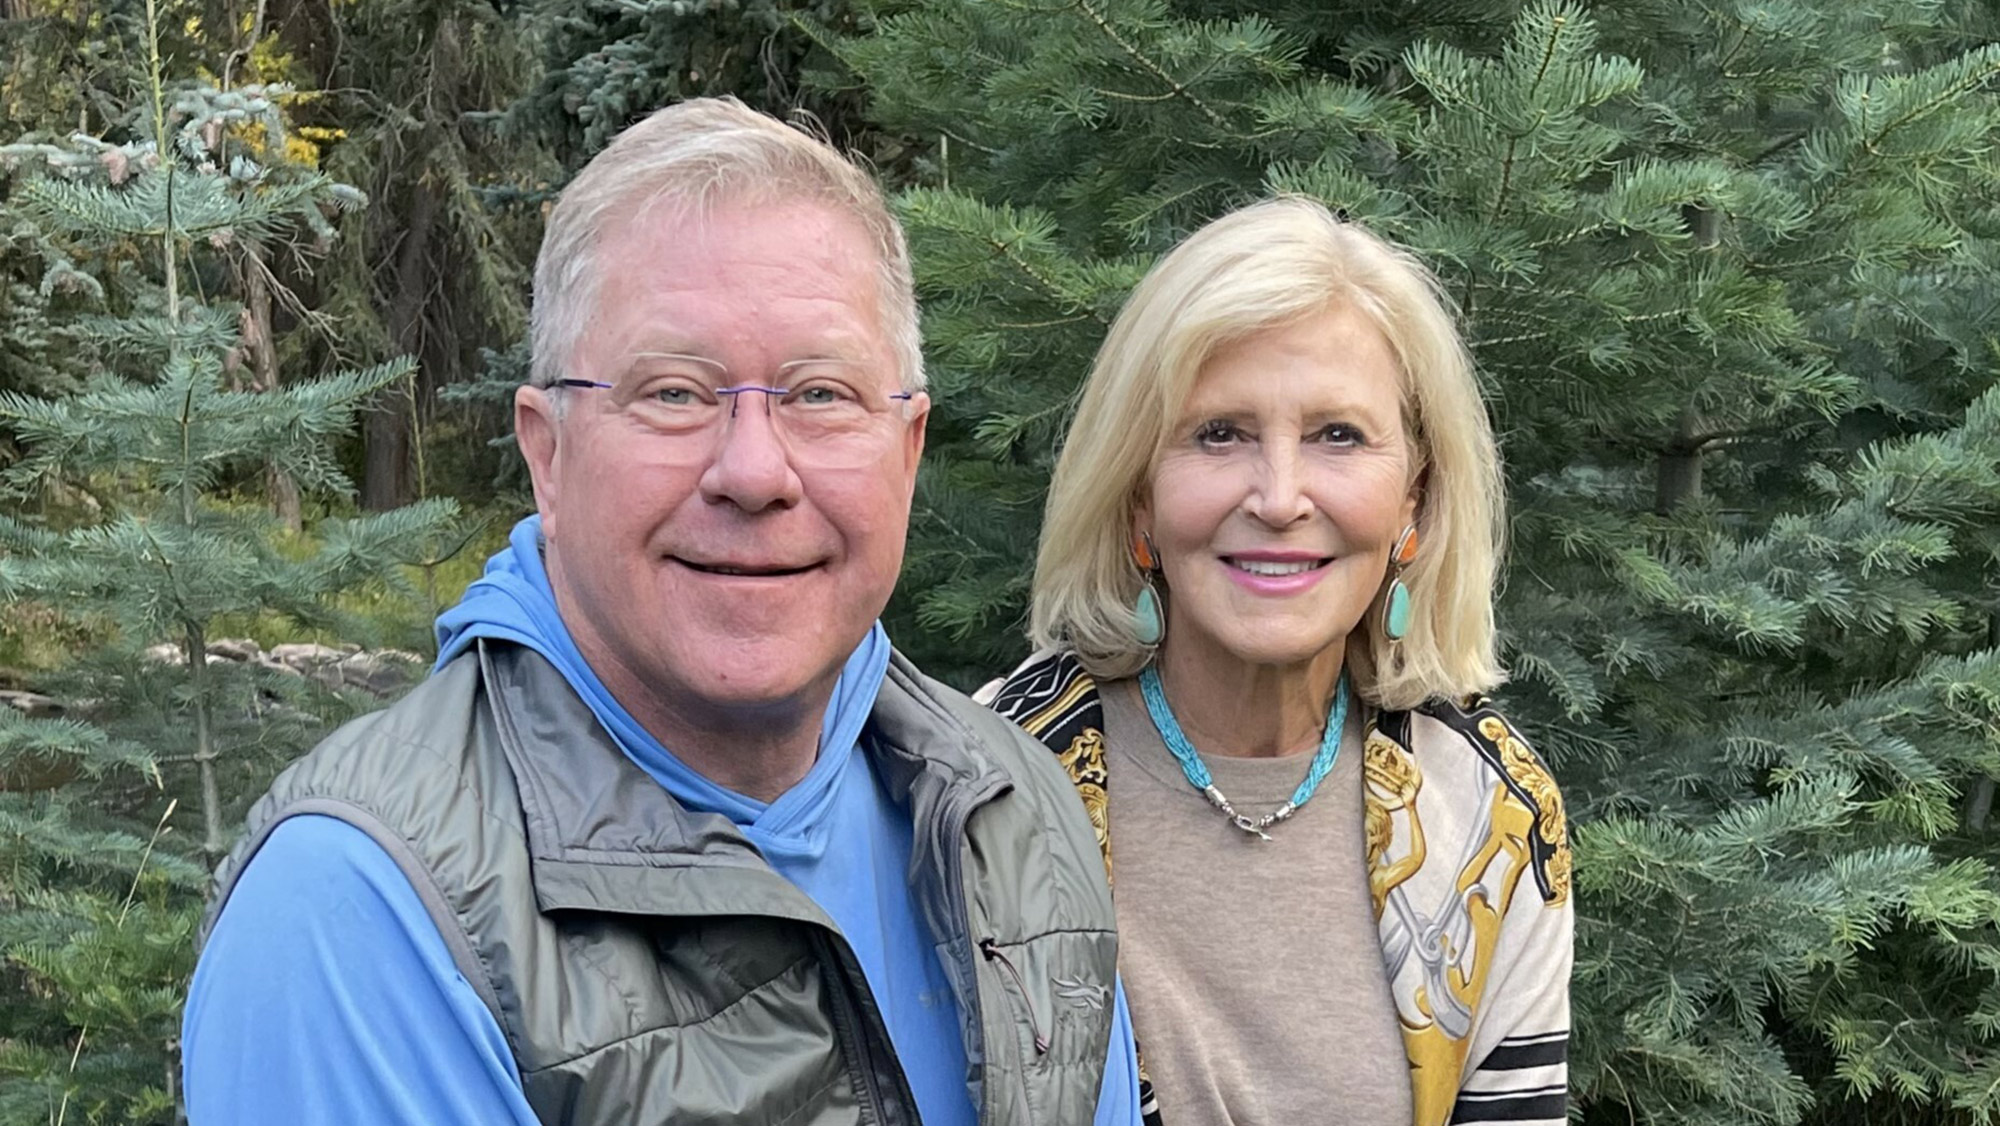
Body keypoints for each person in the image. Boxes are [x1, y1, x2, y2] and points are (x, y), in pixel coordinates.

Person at [182, 97, 1141, 1125]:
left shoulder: (1013, 810)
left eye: (820, 394)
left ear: (906, 451)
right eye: (675, 393)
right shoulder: (364, 915)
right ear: (545, 453)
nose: (754, 471)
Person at [984, 198, 1573, 1126]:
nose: (1280, 496)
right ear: (1138, 497)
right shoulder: (987, 777)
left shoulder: (1489, 815)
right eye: (1220, 434)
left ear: (1413, 503)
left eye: (1338, 435)